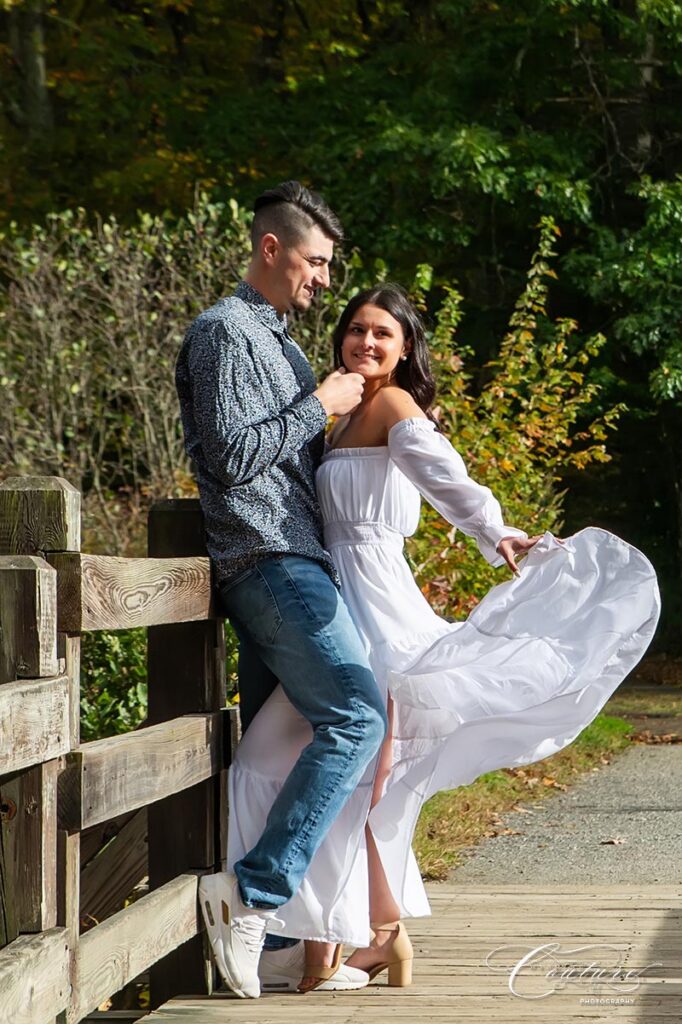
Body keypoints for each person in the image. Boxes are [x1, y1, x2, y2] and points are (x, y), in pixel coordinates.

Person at [227, 283, 661, 992]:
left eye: (382, 335)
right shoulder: (340, 414)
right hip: (333, 608)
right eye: (356, 330)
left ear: (404, 350)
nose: (366, 343)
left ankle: (336, 950)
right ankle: (349, 937)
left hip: (376, 612)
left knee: (352, 776)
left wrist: (497, 532)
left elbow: (444, 476)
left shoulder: (394, 406)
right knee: (274, 764)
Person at [175, 182, 391, 999]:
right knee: (358, 714)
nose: (326, 281)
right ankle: (251, 897)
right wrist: (323, 403)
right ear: (272, 249)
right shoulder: (226, 332)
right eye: (317, 262)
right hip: (269, 562)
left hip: (298, 563)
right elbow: (229, 459)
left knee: (275, 753)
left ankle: (280, 927)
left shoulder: (284, 346)